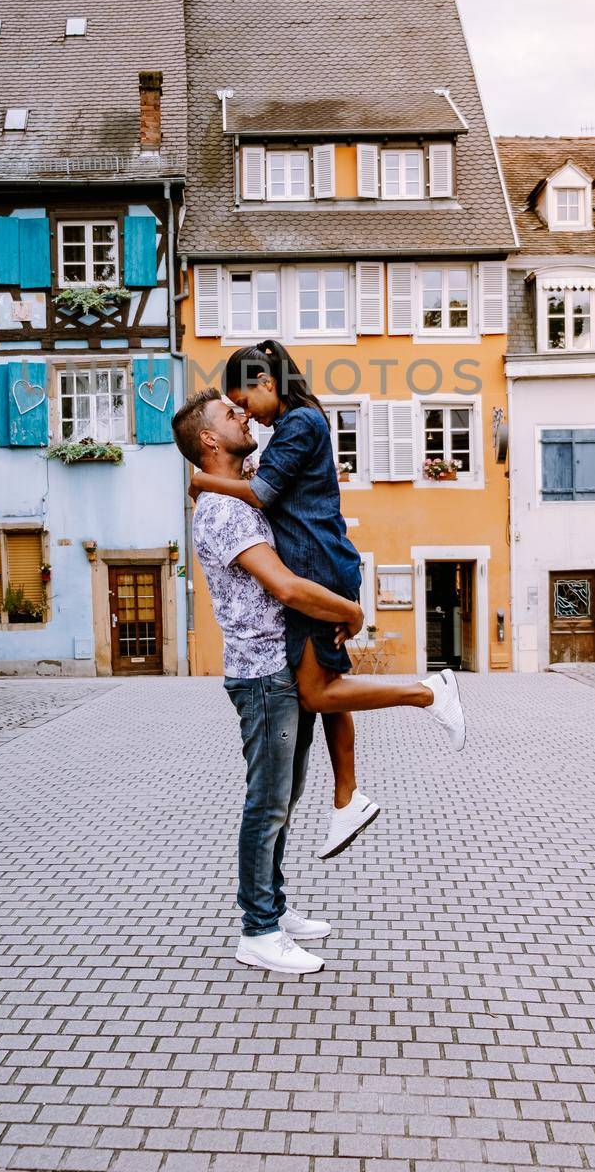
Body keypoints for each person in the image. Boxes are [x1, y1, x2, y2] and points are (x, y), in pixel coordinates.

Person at [189, 340, 467, 861]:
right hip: (319, 562)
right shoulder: (297, 425)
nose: (246, 414)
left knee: (317, 693)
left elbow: (264, 494)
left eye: (244, 402)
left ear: (266, 382)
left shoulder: (301, 424)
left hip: (316, 566)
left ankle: (429, 693)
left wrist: (203, 480)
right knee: (329, 688)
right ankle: (346, 797)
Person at [172, 387, 363, 977]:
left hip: (280, 666)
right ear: (209, 440)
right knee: (267, 803)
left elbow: (288, 465)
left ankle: (273, 909)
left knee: (284, 797)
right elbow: (283, 585)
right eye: (231, 414)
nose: (245, 413)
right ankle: (257, 929)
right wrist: (349, 613)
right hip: (262, 676)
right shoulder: (224, 510)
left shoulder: (243, 485)